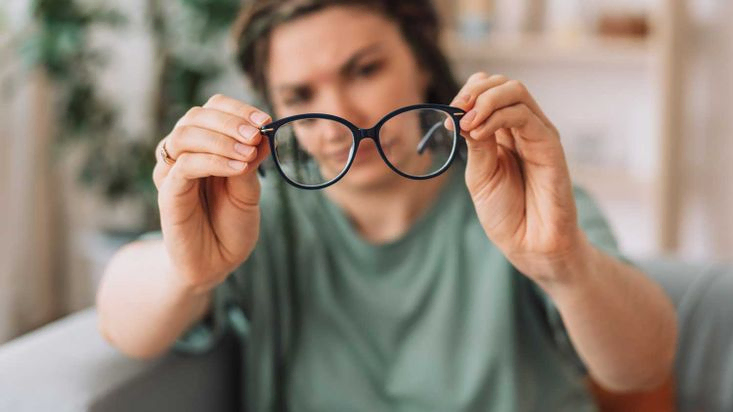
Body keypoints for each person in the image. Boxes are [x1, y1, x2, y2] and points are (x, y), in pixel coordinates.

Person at [96, 1, 678, 410]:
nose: (341, 115)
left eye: (365, 70)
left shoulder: (525, 201)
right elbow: (122, 323)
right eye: (300, 94)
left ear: (421, 63)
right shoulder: (261, 219)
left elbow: (644, 365)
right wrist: (186, 271)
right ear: (273, 109)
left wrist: (564, 264)